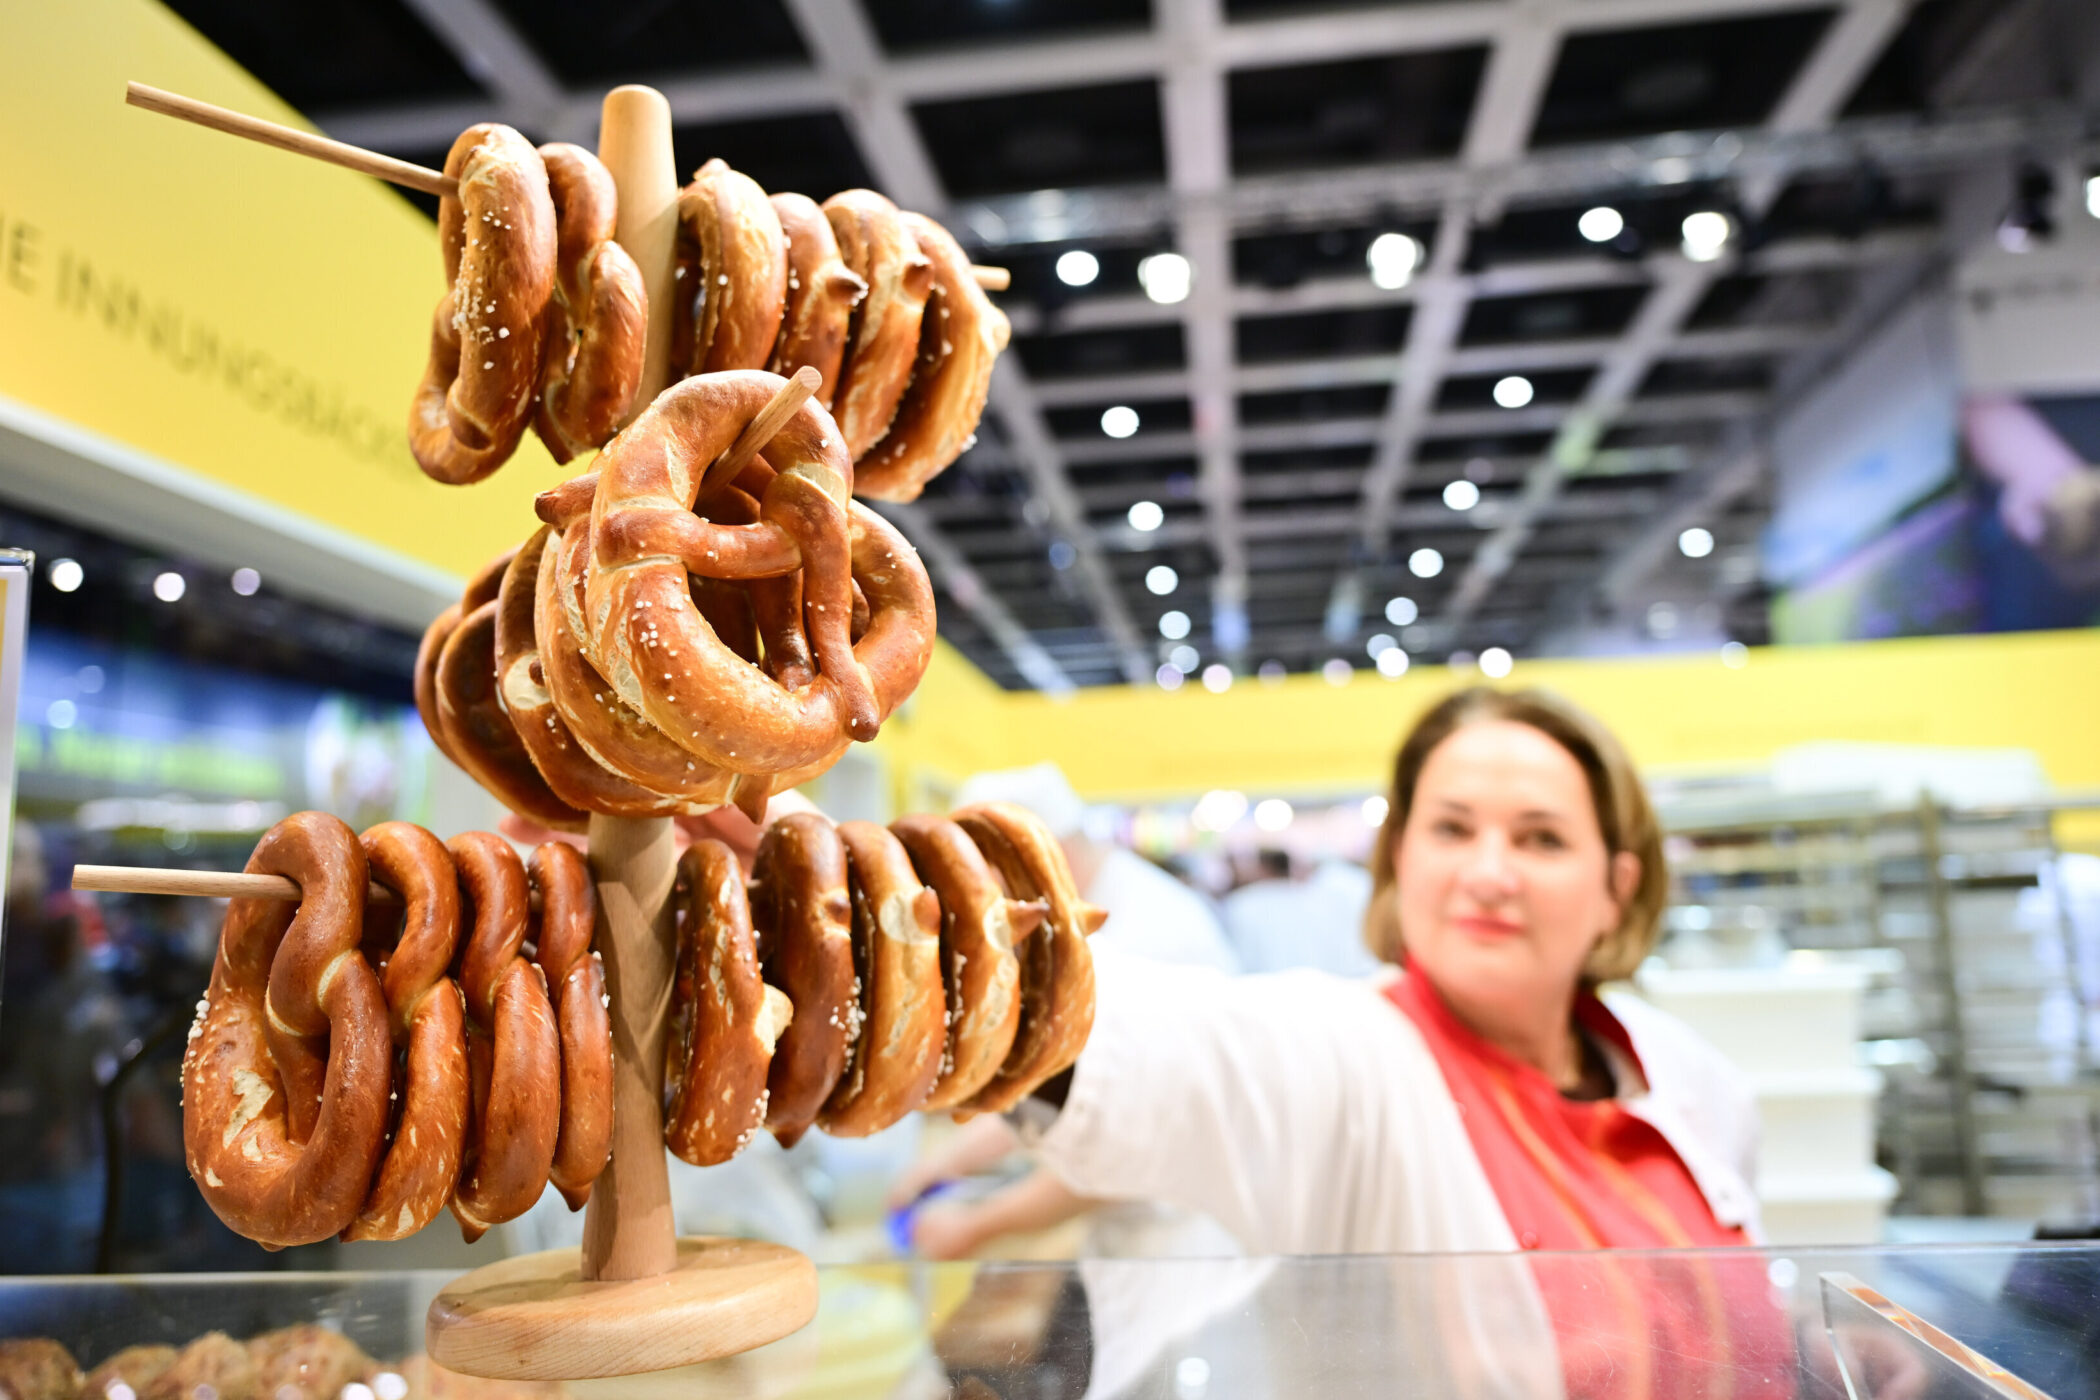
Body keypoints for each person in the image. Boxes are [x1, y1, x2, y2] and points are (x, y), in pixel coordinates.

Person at [908, 688, 1796, 1398]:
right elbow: (1149, 1052)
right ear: (1400, 858)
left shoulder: (1691, 1079)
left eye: (1542, 838)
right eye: (1451, 829)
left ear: (1616, 887)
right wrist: (906, 949)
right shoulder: (1347, 1056)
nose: (1489, 873)